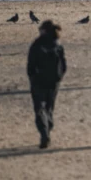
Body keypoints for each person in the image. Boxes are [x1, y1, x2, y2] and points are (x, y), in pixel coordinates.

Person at [27, 20, 67, 149]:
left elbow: (31, 64)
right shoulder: (57, 44)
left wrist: (32, 78)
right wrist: (59, 77)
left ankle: (44, 133)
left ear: (44, 30)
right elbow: (64, 65)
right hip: (54, 81)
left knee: (39, 108)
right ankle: (48, 127)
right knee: (49, 107)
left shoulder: (37, 44)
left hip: (39, 81)